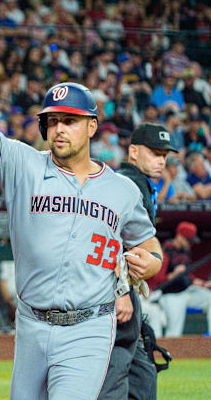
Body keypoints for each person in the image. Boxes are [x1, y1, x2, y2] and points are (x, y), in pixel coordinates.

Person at [0, 36, 163, 399]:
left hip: (90, 326)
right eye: (52, 121)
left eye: (70, 120)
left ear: (92, 127)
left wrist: (153, 263)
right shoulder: (24, 164)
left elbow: (150, 243)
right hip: (32, 324)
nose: (59, 129)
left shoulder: (122, 189)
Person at [99, 122, 175, 400]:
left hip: (126, 289)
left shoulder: (139, 182)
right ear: (133, 152)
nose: (160, 161)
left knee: (143, 375)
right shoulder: (129, 183)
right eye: (154, 153)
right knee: (116, 375)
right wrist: (120, 291)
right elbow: (112, 238)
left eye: (164, 156)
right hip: (115, 290)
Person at [158, 222, 211, 337]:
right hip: (171, 295)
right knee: (174, 333)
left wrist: (203, 284)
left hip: (187, 292)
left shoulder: (185, 251)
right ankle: (169, 354)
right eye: (189, 240)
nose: (190, 244)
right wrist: (174, 274)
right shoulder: (166, 250)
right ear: (180, 237)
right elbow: (158, 280)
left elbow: (188, 276)